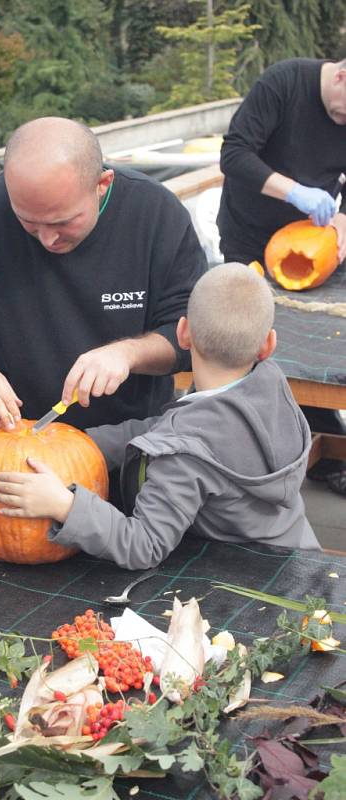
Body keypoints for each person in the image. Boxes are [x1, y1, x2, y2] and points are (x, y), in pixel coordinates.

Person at [0, 117, 207, 435]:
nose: (47, 239)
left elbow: (194, 333)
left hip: (134, 440)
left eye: (63, 222)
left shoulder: (154, 214)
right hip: (19, 438)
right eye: (28, 222)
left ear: (102, 184)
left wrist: (128, 354)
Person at [0, 263, 320, 570]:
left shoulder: (183, 454)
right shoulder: (269, 388)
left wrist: (64, 505)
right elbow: (165, 428)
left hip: (251, 579)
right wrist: (79, 445)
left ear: (183, 333)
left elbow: (143, 545)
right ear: (267, 345)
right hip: (300, 556)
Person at [217, 57, 346, 495]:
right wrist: (293, 190)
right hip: (249, 234)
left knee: (315, 339)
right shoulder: (284, 83)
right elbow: (233, 154)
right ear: (342, 75)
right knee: (252, 341)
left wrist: (342, 220)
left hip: (312, 238)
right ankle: (244, 450)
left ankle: (325, 446)